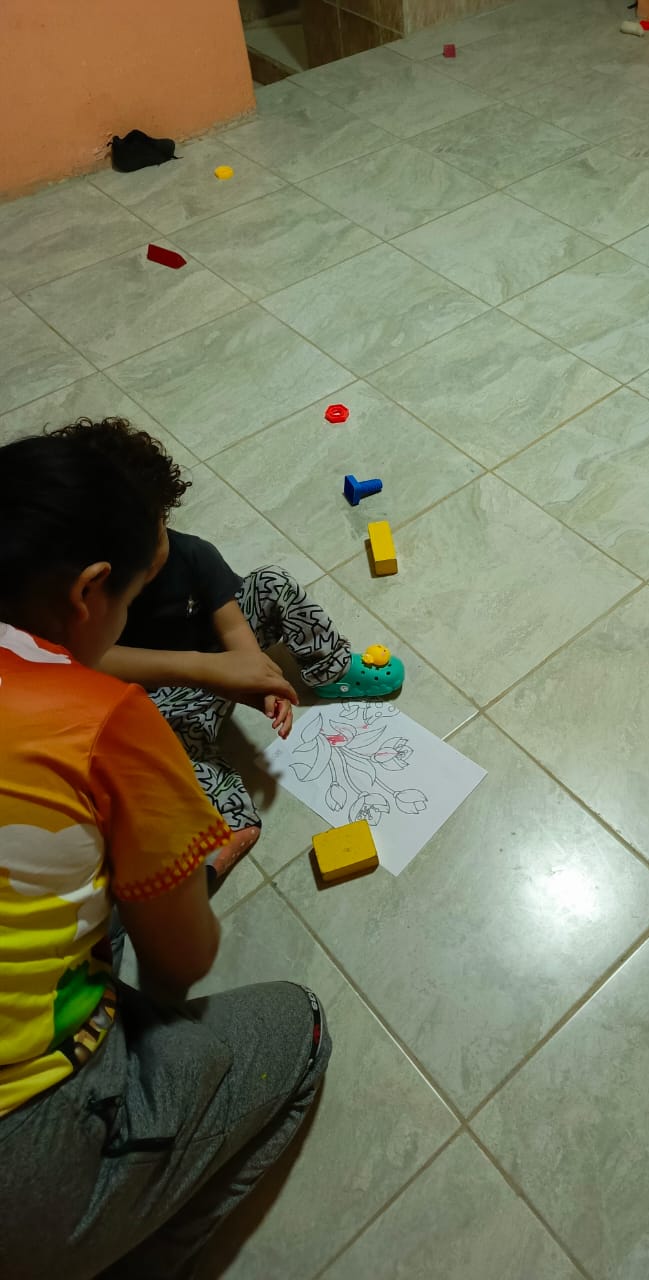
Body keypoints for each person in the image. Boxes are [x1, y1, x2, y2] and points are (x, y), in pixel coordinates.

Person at [0, 423, 332, 1280]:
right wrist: (172, 887)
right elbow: (180, 962)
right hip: (23, 1147)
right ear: (90, 591)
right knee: (301, 1026)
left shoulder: (199, 571)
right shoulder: (103, 715)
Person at [51, 418, 405, 889]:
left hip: (220, 662)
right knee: (143, 745)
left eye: (157, 535)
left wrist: (255, 675)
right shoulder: (77, 602)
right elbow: (86, 663)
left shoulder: (192, 554)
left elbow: (234, 623)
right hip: (160, 699)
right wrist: (206, 671)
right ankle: (232, 825)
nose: (153, 555)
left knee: (272, 582)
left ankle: (330, 669)